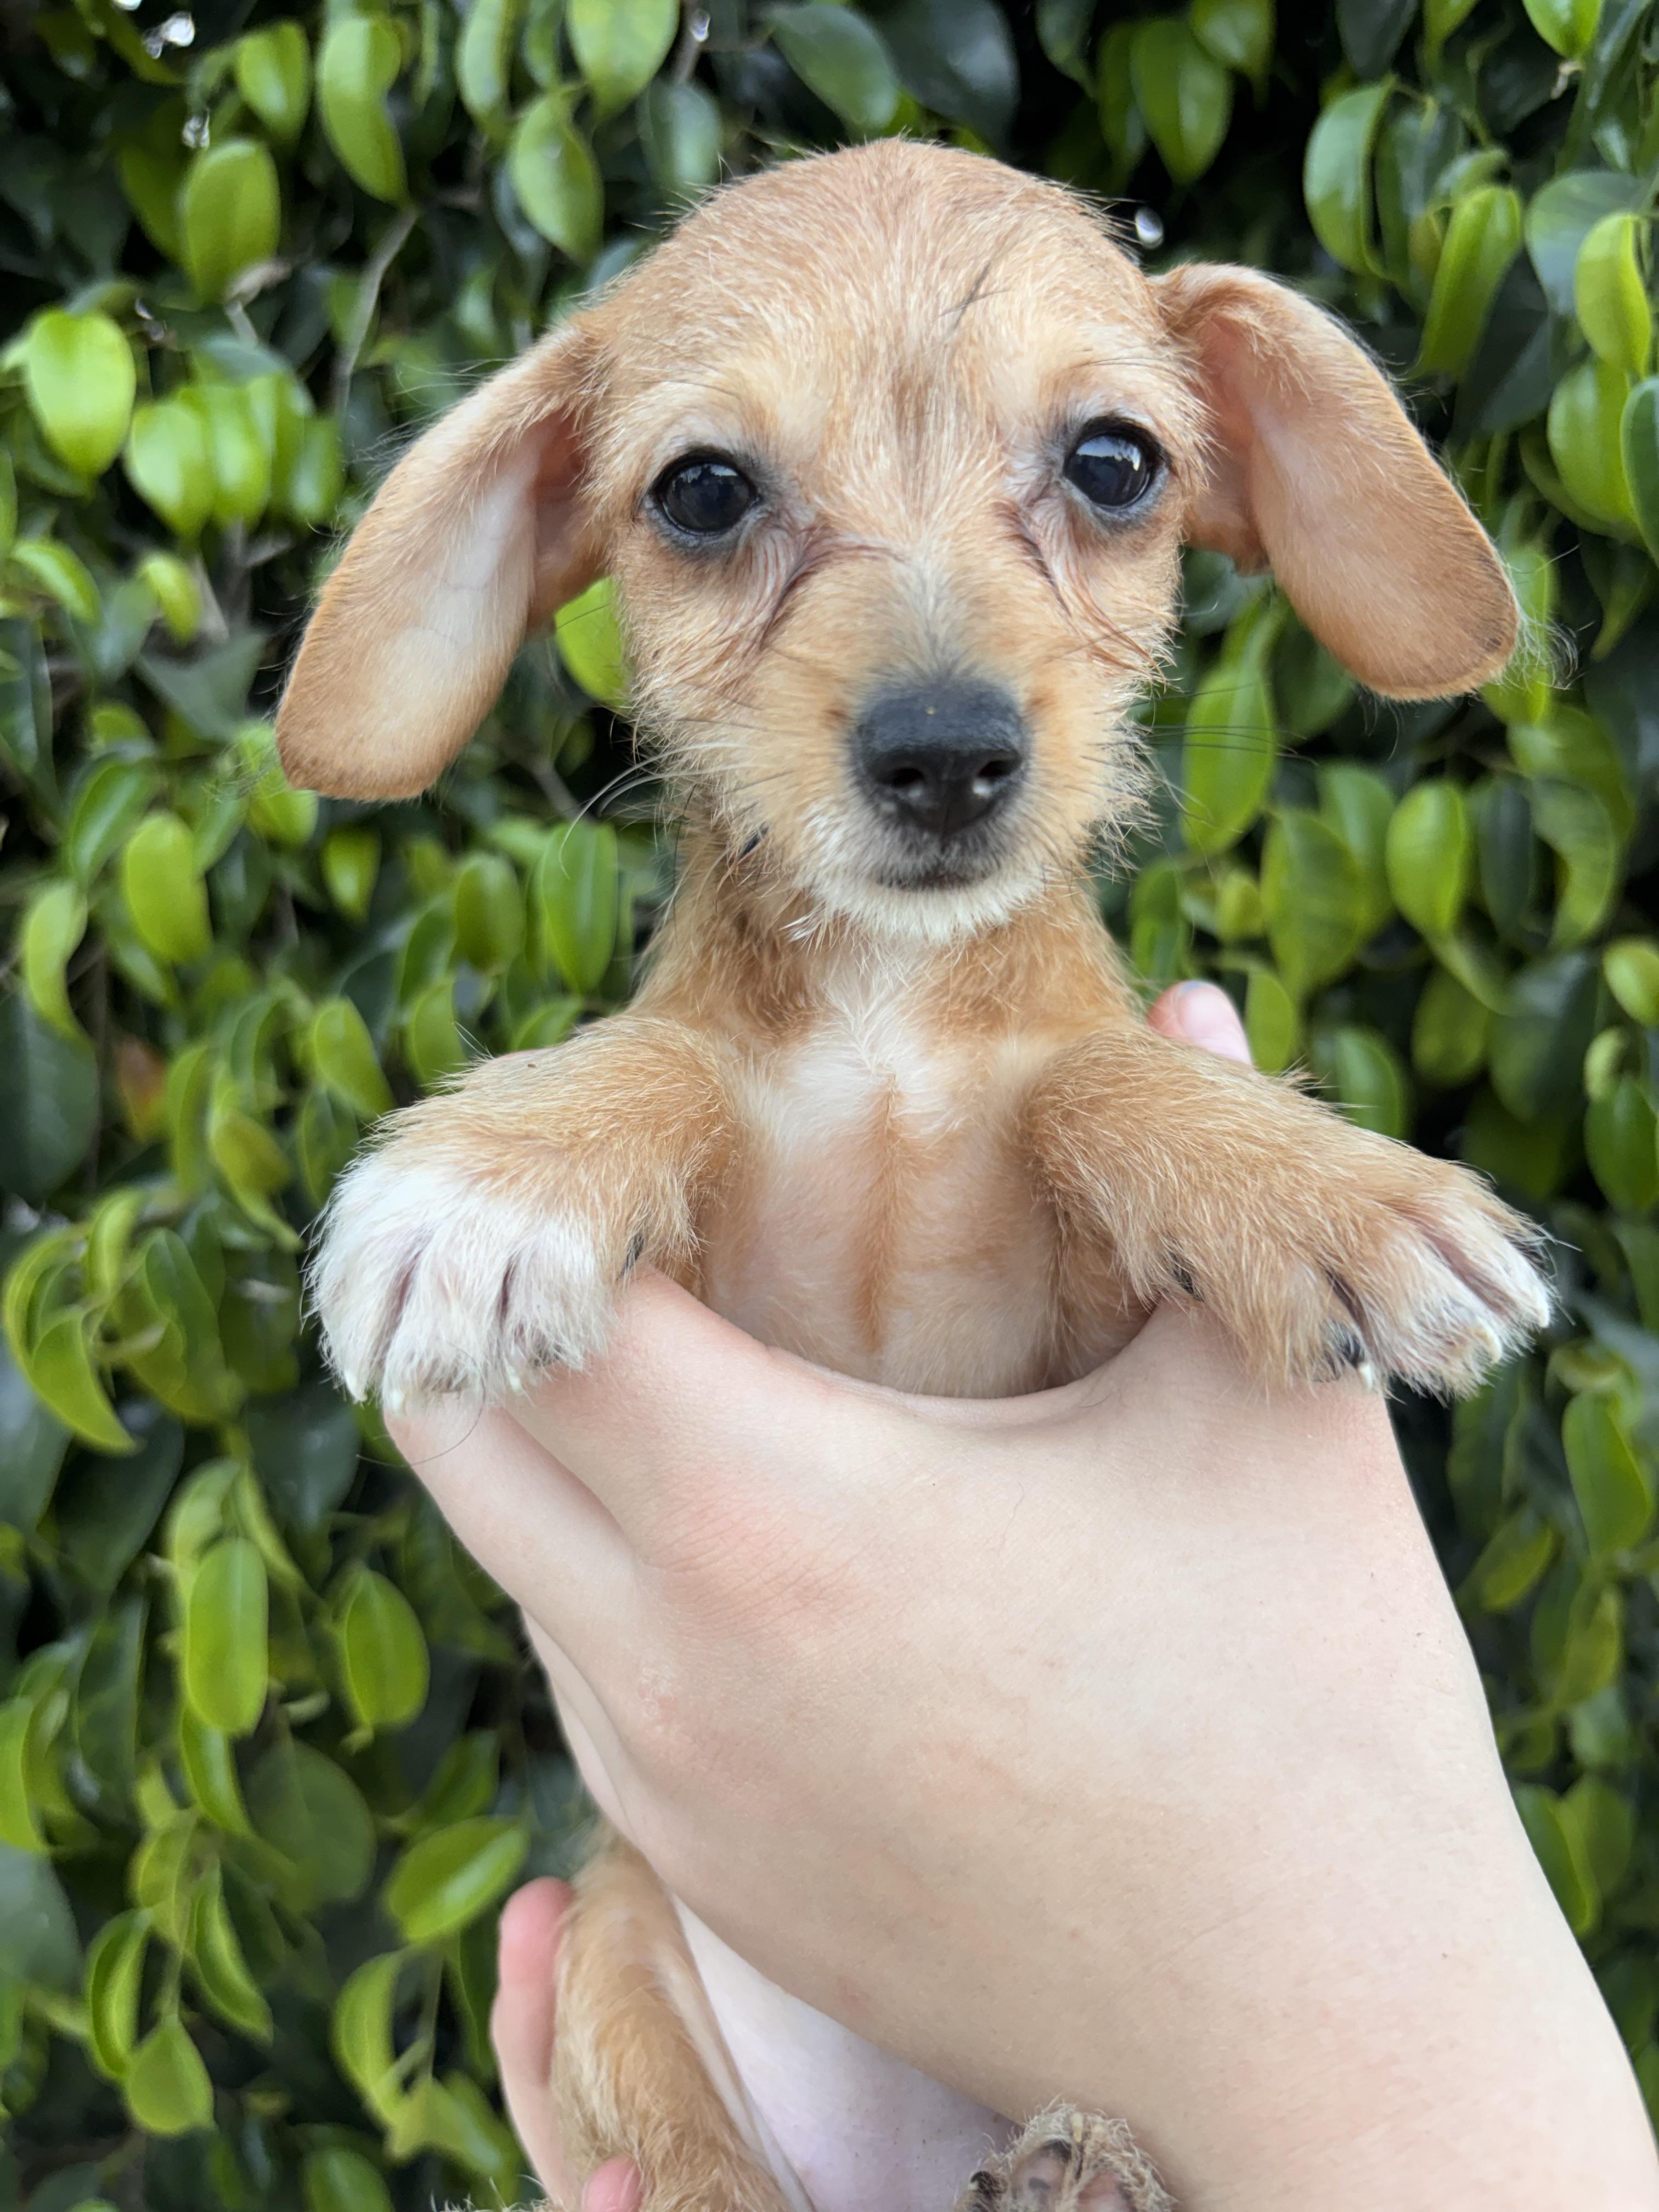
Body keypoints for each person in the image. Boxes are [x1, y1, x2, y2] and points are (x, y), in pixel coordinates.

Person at [388, 983, 1659, 2212]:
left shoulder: (1087, 1083)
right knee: (605, 1971)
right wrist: (612, 1120)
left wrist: (1176, 1136)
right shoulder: (690, 1064)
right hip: (738, 2061)